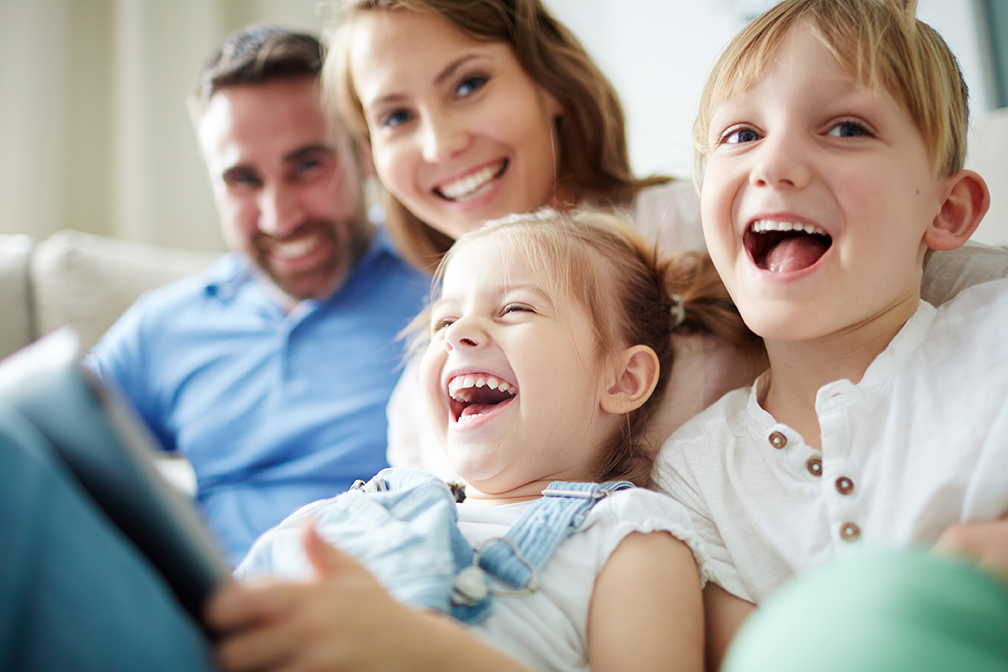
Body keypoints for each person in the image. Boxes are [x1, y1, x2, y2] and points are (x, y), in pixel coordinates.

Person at [323, 0, 1008, 486]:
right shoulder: (428, 389)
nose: (441, 142)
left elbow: (923, 278)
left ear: (548, 83)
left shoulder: (706, 215)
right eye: (395, 117)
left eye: (469, 85)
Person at [205, 209, 750, 672]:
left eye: (515, 308)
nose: (459, 333)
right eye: (444, 320)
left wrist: (420, 648)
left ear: (623, 380)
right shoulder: (366, 507)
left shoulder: (631, 536)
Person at [652, 1, 1008, 669]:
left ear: (947, 210)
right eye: (740, 135)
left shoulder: (995, 344)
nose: (775, 163)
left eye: (845, 128)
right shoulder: (695, 472)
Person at [86, 25, 429, 565]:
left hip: (399, 605)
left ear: (362, 152)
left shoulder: (450, 289)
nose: (280, 216)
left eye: (308, 165)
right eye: (243, 179)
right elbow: (43, 448)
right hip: (215, 620)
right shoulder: (166, 327)